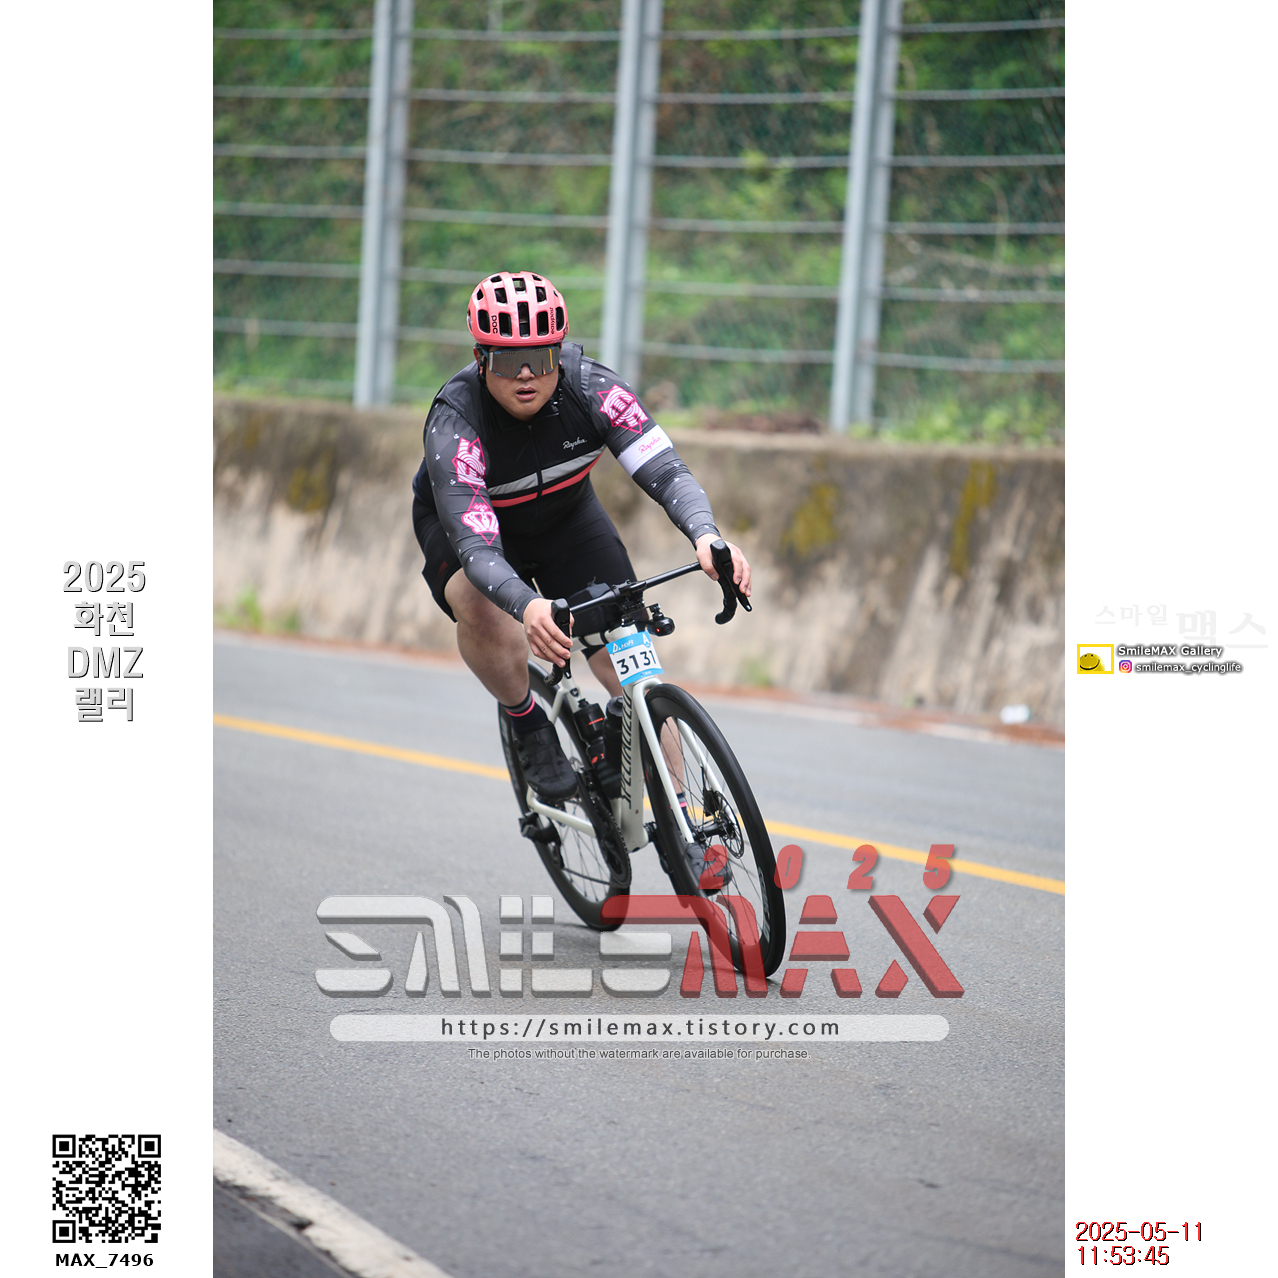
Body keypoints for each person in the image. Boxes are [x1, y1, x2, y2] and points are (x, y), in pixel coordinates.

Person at [411, 269, 750, 812]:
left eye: (541, 357)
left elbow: (666, 469)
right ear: (480, 359)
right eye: (507, 361)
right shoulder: (455, 422)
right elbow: (478, 548)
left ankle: (686, 814)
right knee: (482, 608)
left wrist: (707, 535)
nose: (526, 374)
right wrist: (527, 605)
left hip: (566, 519)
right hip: (476, 535)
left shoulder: (592, 387)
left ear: (560, 353)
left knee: (630, 654)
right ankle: (526, 721)